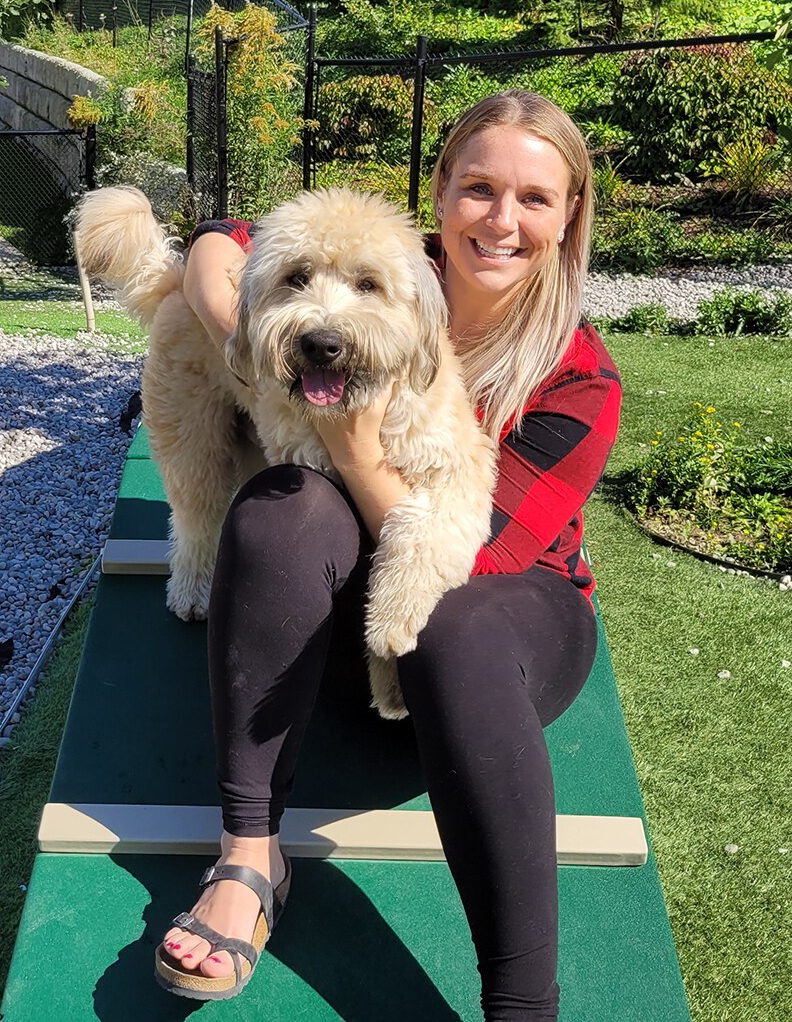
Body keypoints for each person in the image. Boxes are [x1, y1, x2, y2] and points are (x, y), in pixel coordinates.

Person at [154, 89, 622, 1019]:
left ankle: (524, 1008)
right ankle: (249, 858)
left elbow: (477, 563)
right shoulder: (387, 261)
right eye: (479, 187)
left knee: (458, 631)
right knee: (278, 510)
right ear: (441, 193)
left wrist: (356, 446)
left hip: (499, 633)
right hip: (333, 638)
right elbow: (229, 234)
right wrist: (235, 323)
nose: (502, 218)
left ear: (569, 216)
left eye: (535, 198)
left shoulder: (579, 377)